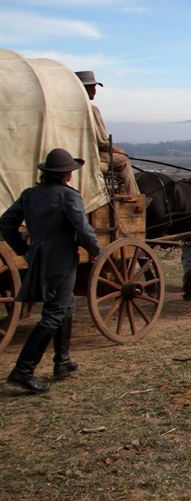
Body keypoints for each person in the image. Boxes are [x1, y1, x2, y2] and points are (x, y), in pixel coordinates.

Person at [1, 148, 102, 393]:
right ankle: (23, 370)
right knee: (55, 313)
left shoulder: (30, 194)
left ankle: (62, 362)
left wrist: (23, 248)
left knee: (65, 307)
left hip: (38, 257)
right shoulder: (69, 197)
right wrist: (95, 248)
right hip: (61, 260)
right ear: (67, 174)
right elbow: (82, 227)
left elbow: (5, 223)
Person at [76, 71, 140, 195]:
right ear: (84, 89)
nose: (95, 90)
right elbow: (102, 141)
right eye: (92, 87)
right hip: (90, 155)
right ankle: (134, 196)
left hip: (76, 153)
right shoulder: (91, 109)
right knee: (124, 160)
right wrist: (120, 151)